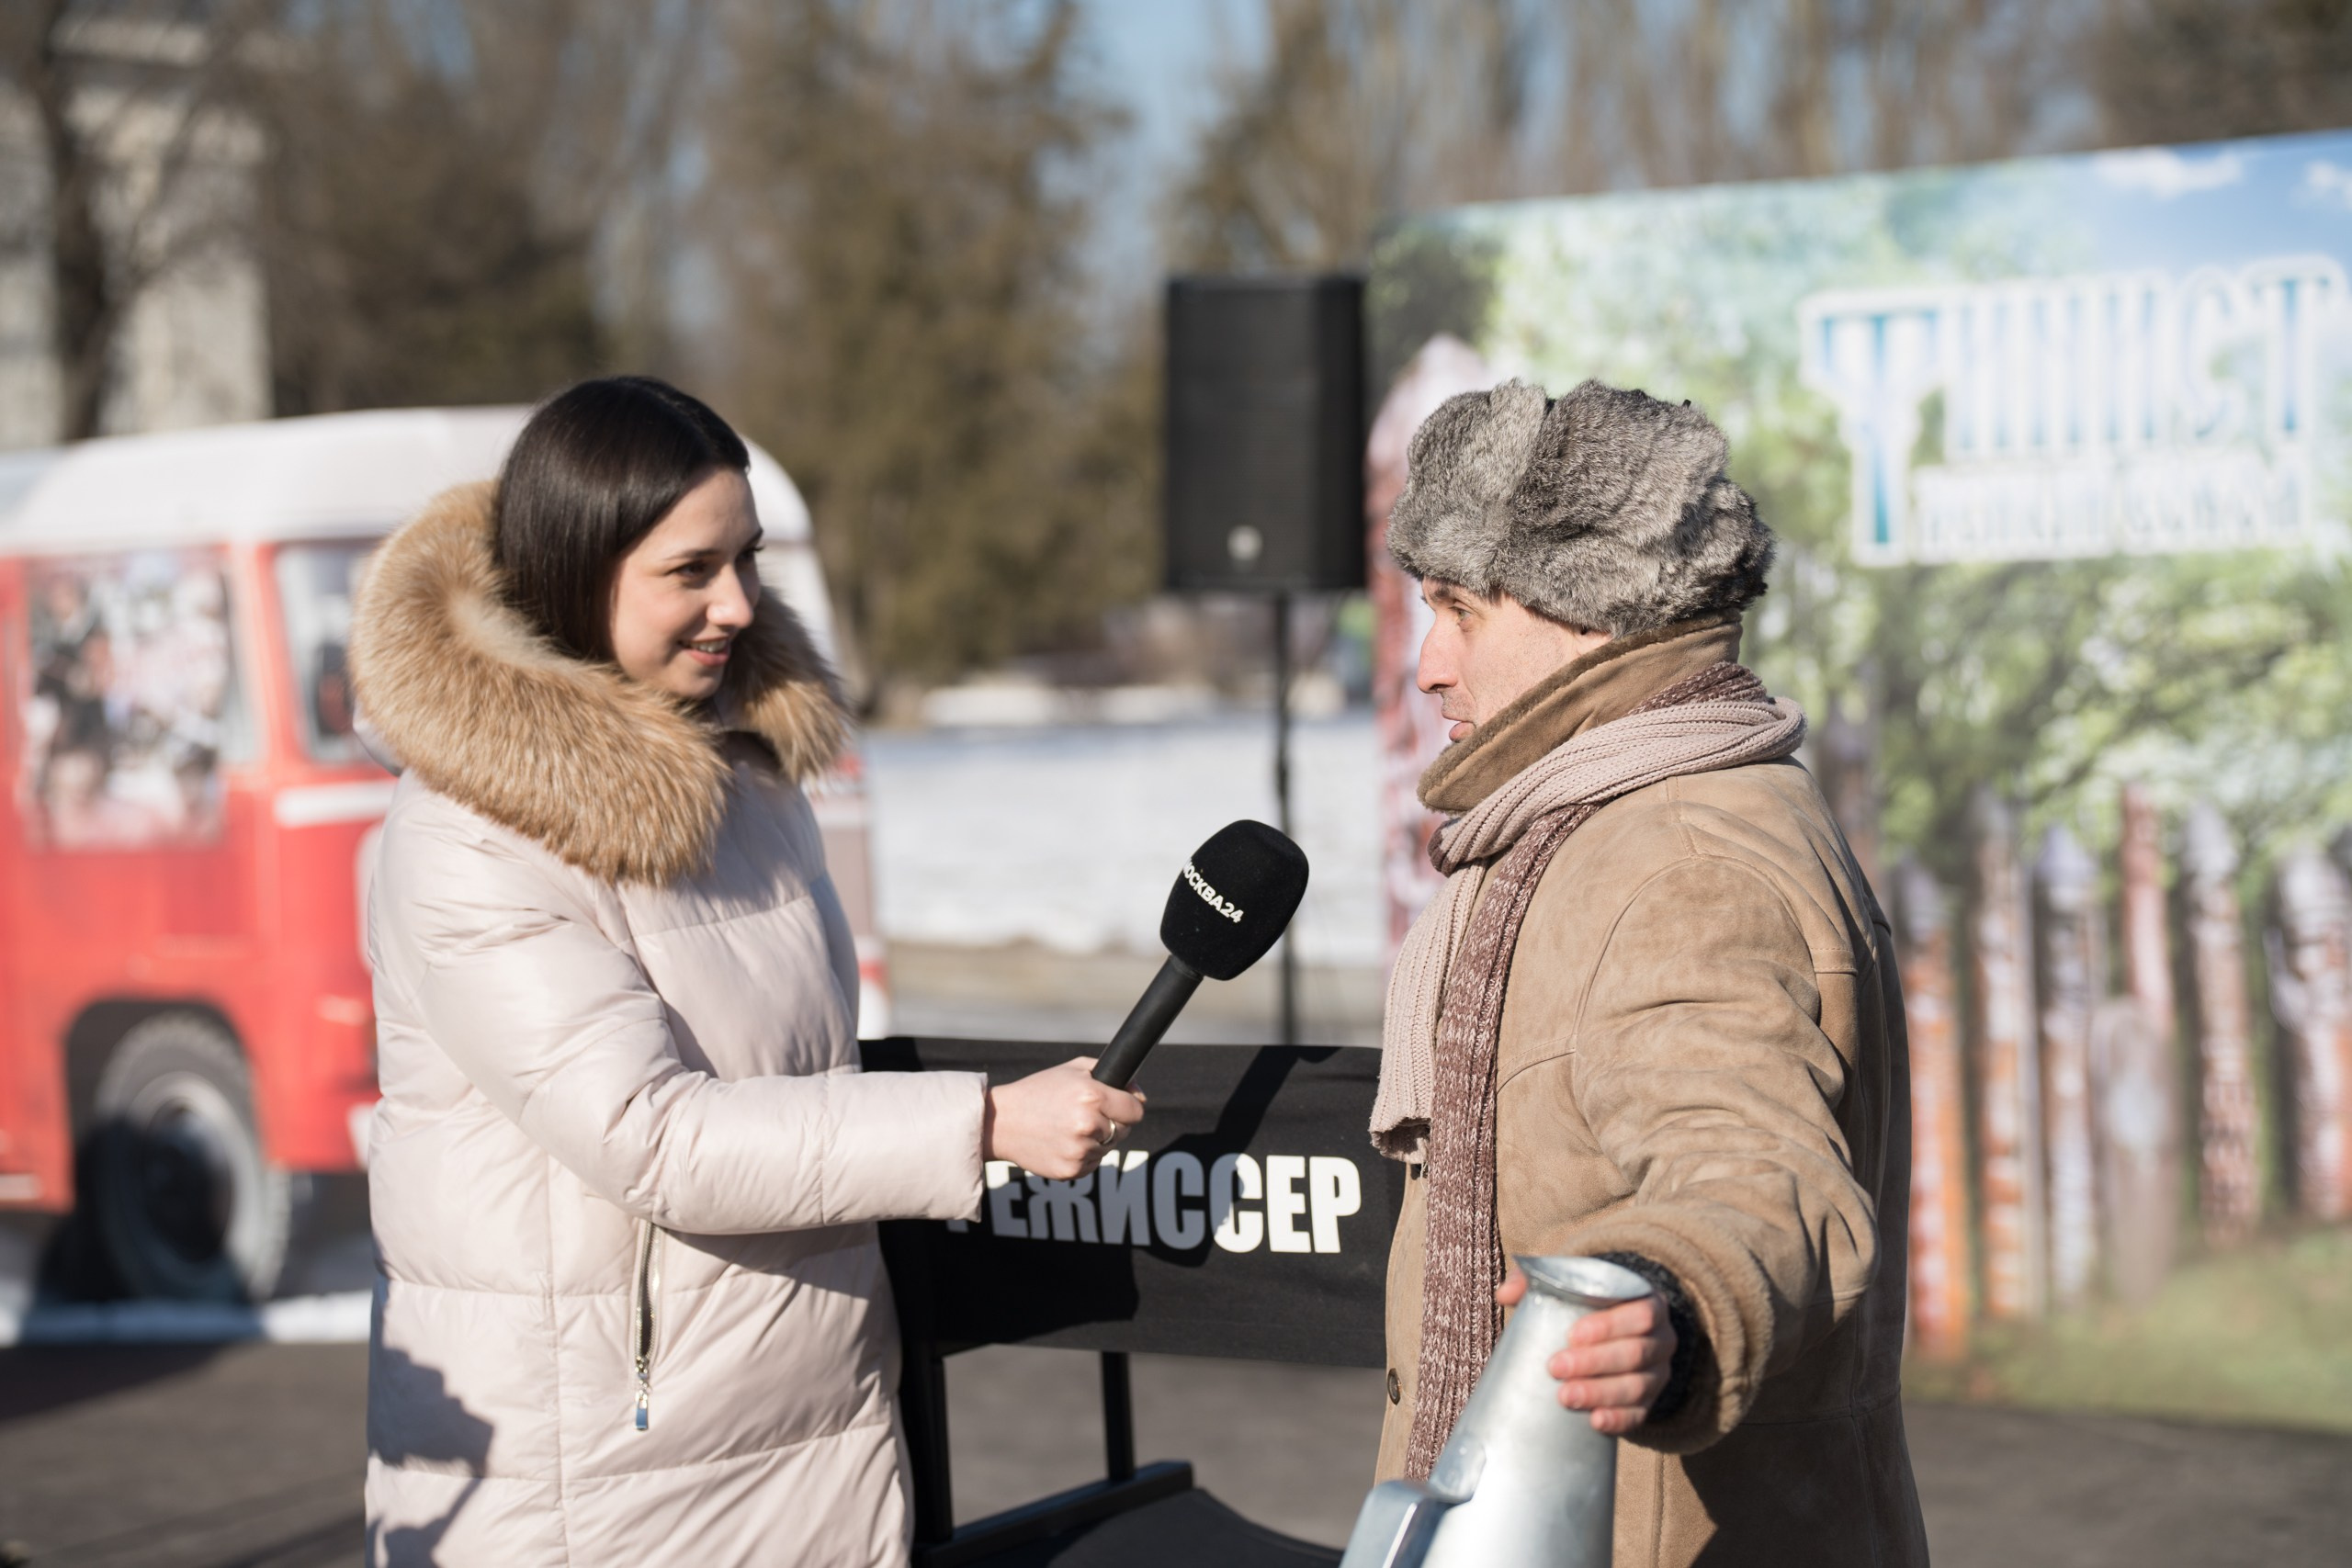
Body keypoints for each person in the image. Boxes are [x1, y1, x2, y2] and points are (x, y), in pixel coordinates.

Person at [350, 377, 1143, 1567]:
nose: (737, 605)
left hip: (807, 1435)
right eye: (690, 571)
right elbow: (656, 1140)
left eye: (748, 560)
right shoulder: (464, 837)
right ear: (577, 570)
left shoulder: (749, 782)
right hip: (597, 1488)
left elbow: (790, 1074)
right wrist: (978, 1123)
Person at [1372, 379, 1927, 1566]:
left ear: (1584, 609)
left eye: (1457, 609)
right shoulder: (1610, 817)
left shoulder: (1674, 857)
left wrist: (1662, 1290)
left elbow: (1757, 1172)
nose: (1429, 664)